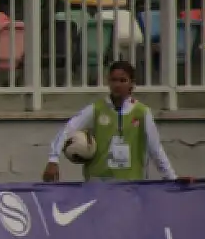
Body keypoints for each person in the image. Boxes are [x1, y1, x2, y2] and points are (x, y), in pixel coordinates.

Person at [43, 60, 179, 183]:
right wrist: (53, 159)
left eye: (123, 80)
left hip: (131, 186)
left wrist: (172, 179)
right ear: (108, 82)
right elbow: (67, 129)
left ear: (132, 83)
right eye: (114, 80)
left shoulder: (142, 113)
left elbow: (156, 150)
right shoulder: (96, 109)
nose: (117, 85)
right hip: (98, 185)